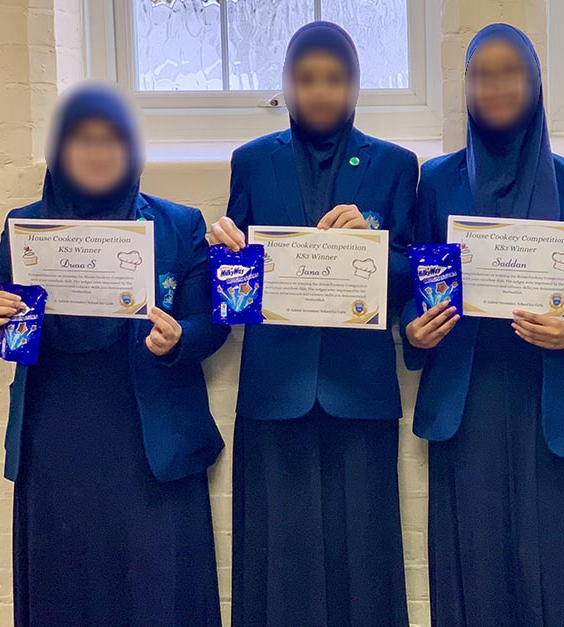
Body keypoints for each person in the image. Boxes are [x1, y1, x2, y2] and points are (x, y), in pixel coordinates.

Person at [0, 83, 226, 627]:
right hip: (56, 442)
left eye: (113, 139)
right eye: (81, 139)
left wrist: (178, 338)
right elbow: (8, 328)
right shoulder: (25, 226)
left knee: (156, 590)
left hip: (150, 442)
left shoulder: (179, 224)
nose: (97, 152)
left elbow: (210, 324)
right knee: (64, 589)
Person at [208, 21, 417, 627]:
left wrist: (372, 244)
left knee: (365, 564)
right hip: (275, 393)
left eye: (334, 78)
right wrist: (224, 256)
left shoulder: (395, 165)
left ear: (355, 84)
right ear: (287, 84)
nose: (320, 91)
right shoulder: (252, 161)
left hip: (360, 395)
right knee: (279, 563)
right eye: (306, 79)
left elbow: (415, 277)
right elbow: (234, 294)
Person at [399, 23, 564, 627]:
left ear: (536, 82)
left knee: (549, 578)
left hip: (550, 405)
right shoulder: (437, 181)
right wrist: (414, 330)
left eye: (509, 72)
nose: (493, 86)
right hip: (469, 405)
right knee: (472, 578)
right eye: (479, 75)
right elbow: (417, 284)